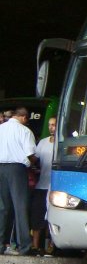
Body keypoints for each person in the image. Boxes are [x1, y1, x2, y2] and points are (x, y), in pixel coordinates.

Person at [0, 107, 37, 255]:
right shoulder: (25, 131)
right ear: (24, 117)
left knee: (2, 208)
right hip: (17, 170)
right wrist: (35, 162)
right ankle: (25, 247)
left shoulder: (1, 128)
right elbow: (30, 154)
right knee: (20, 207)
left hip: (0, 168)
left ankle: (1, 245)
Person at [30, 116, 56, 255]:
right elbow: (35, 159)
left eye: (54, 125)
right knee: (38, 215)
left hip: (55, 185)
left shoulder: (62, 142)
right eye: (50, 125)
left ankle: (50, 246)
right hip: (42, 184)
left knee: (51, 217)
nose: (51, 127)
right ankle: (35, 245)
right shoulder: (43, 142)